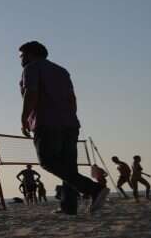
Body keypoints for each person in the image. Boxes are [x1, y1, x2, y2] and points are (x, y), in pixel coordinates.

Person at [18, 41, 109, 215]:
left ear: (30, 54)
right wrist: (70, 117)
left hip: (46, 121)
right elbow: (72, 98)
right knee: (68, 165)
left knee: (48, 161)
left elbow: (31, 93)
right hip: (69, 122)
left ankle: (93, 189)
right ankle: (69, 206)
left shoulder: (31, 69)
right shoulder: (61, 70)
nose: (21, 59)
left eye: (22, 55)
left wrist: (24, 119)